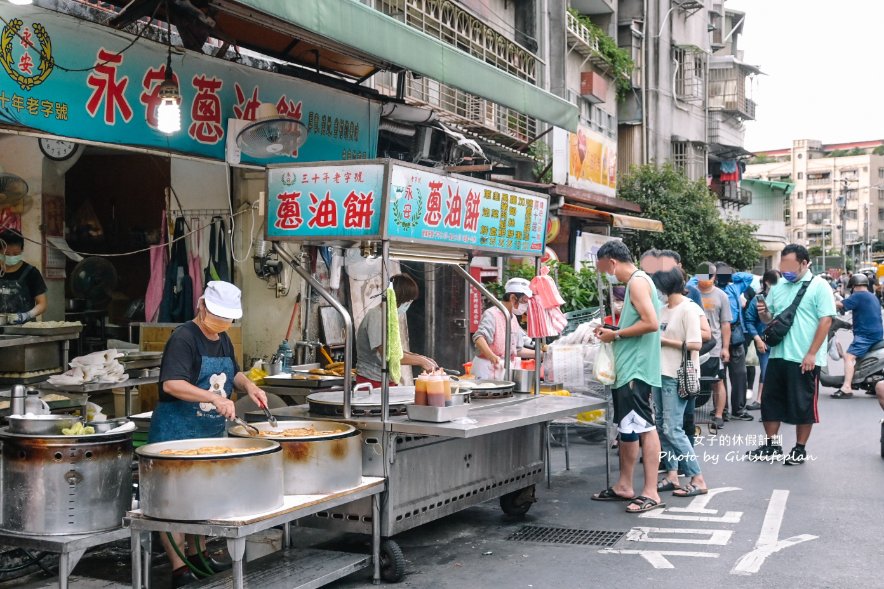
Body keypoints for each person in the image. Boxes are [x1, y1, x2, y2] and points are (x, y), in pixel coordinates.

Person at [148, 281, 270, 586]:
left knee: (204, 498)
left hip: (209, 432)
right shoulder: (184, 338)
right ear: (201, 306)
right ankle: (180, 568)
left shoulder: (224, 339)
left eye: (227, 319)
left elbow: (234, 373)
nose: (221, 323)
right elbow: (171, 384)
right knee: (176, 501)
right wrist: (213, 397)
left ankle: (200, 556)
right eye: (217, 316)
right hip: (176, 432)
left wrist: (249, 386)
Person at [591, 240, 664, 514]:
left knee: (644, 426)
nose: (607, 275)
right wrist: (613, 329)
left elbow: (651, 322)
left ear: (612, 262)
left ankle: (651, 492)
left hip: (637, 369)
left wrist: (616, 334)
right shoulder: (638, 282)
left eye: (604, 269)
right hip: (629, 369)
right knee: (628, 429)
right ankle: (624, 485)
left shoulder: (637, 282)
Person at [747, 244, 836, 465]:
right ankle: (772, 446)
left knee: (802, 404)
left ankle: (799, 449)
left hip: (804, 358)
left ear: (804, 263)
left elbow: (826, 320)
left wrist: (812, 354)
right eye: (782, 264)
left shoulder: (819, 286)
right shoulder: (779, 286)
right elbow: (771, 319)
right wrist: (765, 314)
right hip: (778, 355)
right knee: (770, 402)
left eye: (790, 265)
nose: (785, 269)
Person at [651, 267, 708, 496]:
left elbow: (696, 344)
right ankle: (672, 475)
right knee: (662, 427)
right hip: (659, 372)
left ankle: (697, 477)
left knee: (673, 429)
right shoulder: (663, 309)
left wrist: (665, 341)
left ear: (665, 286)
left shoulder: (688, 309)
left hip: (678, 374)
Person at [355, 273, 436, 387]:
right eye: (408, 301)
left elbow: (395, 350)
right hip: (372, 381)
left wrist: (421, 357)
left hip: (387, 380)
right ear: (399, 298)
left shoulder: (389, 317)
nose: (408, 305)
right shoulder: (376, 316)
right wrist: (421, 361)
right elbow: (387, 354)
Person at [471, 277, 537, 379]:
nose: (526, 305)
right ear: (513, 298)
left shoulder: (513, 318)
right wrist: (491, 356)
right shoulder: (492, 314)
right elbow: (478, 338)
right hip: (486, 369)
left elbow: (517, 350)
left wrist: (540, 354)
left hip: (504, 369)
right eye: (524, 301)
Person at [831, 273, 883, 398]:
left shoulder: (858, 296)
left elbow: (840, 305)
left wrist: (825, 304)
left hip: (866, 335)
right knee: (860, 358)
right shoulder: (871, 296)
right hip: (875, 333)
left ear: (853, 286)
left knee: (848, 357)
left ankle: (847, 387)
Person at [694, 262, 732, 429]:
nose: (705, 280)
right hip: (693, 345)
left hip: (714, 346)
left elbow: (725, 324)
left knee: (718, 381)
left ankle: (718, 415)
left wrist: (725, 347)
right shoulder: (691, 293)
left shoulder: (721, 295)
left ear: (714, 277)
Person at [716, 263, 755, 422]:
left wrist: (731, 275)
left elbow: (749, 277)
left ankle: (738, 409)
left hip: (736, 333)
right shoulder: (709, 290)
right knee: (719, 376)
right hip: (717, 335)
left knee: (739, 374)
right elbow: (693, 283)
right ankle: (721, 410)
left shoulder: (734, 288)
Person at [744, 270, 780, 410]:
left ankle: (772, 403)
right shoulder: (758, 300)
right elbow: (749, 320)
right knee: (766, 372)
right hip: (764, 343)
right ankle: (762, 401)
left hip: (783, 344)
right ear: (767, 282)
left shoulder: (784, 298)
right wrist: (758, 339)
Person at [0, 229, 48, 324]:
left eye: (15, 254)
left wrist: (27, 315)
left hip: (25, 329)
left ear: (22, 250)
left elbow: (42, 304)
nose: (11, 257)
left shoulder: (31, 273)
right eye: (6, 254)